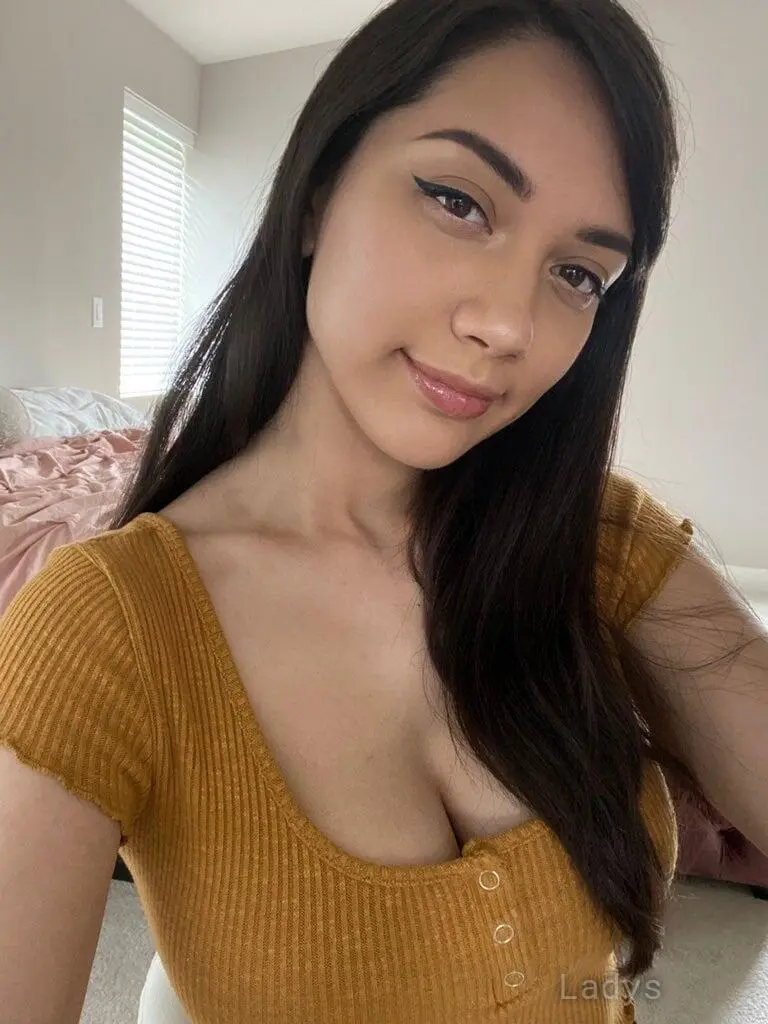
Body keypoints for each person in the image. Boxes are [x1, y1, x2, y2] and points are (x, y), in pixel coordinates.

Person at [1, 0, 767, 1021]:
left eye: (577, 273)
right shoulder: (106, 627)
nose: (508, 324)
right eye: (458, 201)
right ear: (316, 196)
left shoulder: (595, 539)